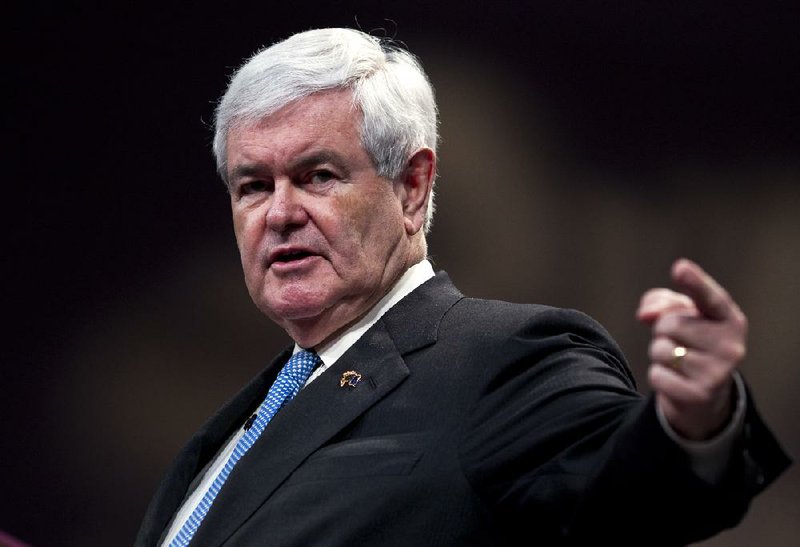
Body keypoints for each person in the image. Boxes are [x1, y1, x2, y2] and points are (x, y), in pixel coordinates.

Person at [136, 28, 790, 546]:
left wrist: (693, 421)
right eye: (253, 185)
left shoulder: (503, 359)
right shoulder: (234, 423)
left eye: (318, 176)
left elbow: (622, 489)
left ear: (412, 187)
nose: (279, 212)